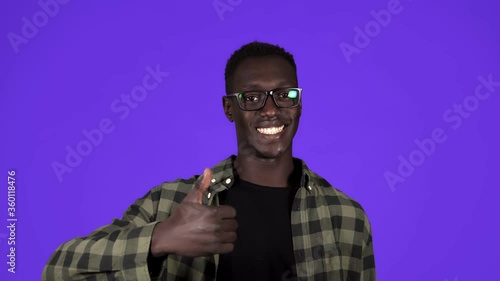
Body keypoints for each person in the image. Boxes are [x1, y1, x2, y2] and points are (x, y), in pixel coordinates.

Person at [42, 41, 376, 281]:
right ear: (229, 108)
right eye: (252, 97)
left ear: (299, 104)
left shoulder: (347, 216)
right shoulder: (170, 203)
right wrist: (160, 239)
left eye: (285, 94)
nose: (271, 109)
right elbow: (59, 270)